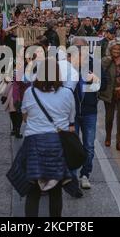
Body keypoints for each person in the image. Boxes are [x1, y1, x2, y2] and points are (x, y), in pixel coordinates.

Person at [9, 58, 75, 217]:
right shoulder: (67, 93)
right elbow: (70, 122)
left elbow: (25, 117)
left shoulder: (30, 92)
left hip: (34, 146)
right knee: (56, 192)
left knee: (33, 193)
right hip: (57, 146)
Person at [69, 37, 102, 190]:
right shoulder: (66, 65)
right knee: (73, 145)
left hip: (89, 111)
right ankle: (72, 175)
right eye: (76, 47)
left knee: (89, 145)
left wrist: (94, 79)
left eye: (82, 47)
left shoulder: (94, 63)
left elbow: (104, 82)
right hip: (71, 113)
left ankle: (85, 174)